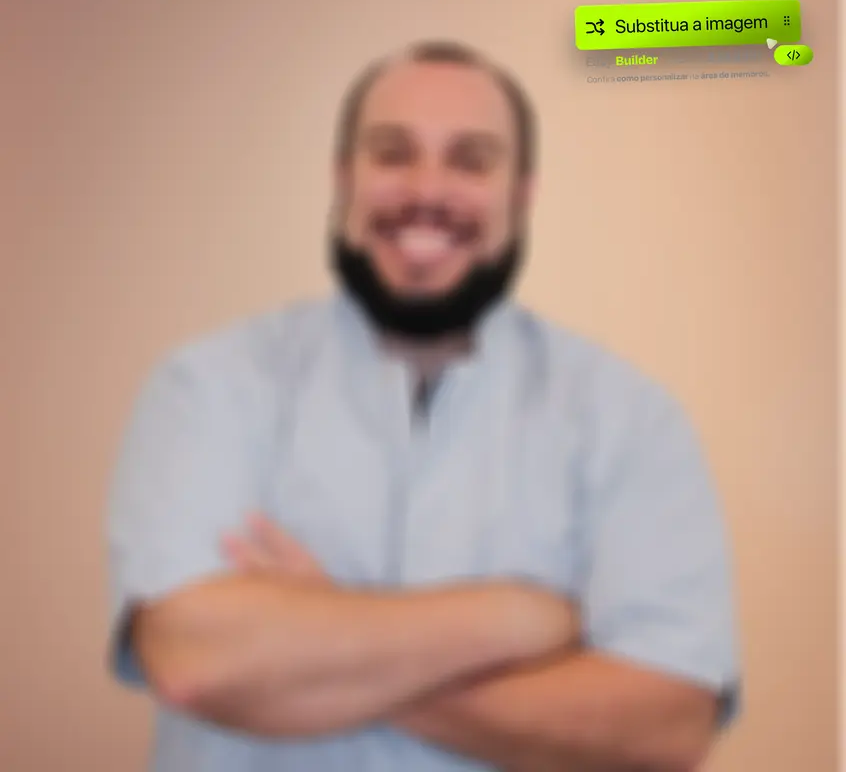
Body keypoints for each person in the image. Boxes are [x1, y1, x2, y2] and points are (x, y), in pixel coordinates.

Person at [106, 39, 742, 772]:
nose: (427, 190)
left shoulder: (630, 420)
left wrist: (318, 641)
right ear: (343, 178)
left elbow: (666, 727)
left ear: (521, 195)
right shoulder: (208, 387)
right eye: (392, 154)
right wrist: (520, 617)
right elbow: (192, 661)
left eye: (471, 161)